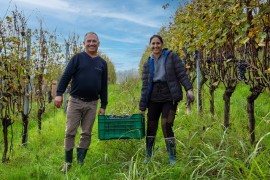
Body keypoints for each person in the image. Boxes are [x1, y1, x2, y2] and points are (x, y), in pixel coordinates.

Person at [54, 32, 108, 172]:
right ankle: (67, 162)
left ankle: (81, 161)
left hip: (92, 103)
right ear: (84, 43)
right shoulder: (77, 58)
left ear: (98, 43)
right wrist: (59, 94)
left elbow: (103, 86)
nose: (91, 43)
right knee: (70, 131)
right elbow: (66, 76)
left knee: (86, 133)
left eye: (94, 41)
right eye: (89, 41)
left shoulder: (102, 63)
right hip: (75, 101)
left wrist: (103, 105)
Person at [139, 35, 194, 166]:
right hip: (153, 98)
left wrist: (189, 89)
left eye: (158, 43)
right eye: (153, 44)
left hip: (169, 96)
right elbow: (145, 86)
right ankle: (148, 156)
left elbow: (181, 73)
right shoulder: (148, 63)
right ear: (150, 46)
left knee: (166, 124)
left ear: (162, 45)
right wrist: (142, 106)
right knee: (151, 126)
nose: (155, 46)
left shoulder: (171, 57)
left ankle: (172, 158)